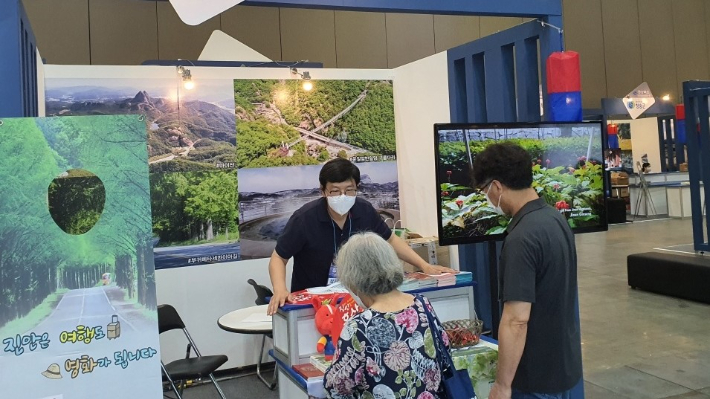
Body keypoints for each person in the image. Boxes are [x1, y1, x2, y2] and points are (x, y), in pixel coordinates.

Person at [267, 158, 454, 315]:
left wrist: (424, 265)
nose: (343, 196)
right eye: (335, 191)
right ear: (323, 191)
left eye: (349, 190)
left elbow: (391, 240)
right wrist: (280, 289)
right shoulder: (304, 218)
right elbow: (278, 257)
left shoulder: (363, 210)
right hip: (315, 304)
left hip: (359, 298)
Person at [471, 143, 582, 399]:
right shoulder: (554, 219)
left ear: (497, 186)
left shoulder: (522, 237)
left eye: (484, 191)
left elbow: (516, 320)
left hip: (536, 378)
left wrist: (502, 385)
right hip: (562, 366)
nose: (487, 198)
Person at [323, 232, 451, 399]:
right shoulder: (422, 305)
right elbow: (445, 353)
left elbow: (336, 387)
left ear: (353, 283)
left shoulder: (358, 328)